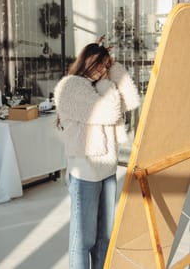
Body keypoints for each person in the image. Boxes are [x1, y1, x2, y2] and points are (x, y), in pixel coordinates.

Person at [54, 39, 140, 269]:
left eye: (105, 65)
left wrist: (114, 67)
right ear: (85, 60)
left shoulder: (100, 83)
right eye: (98, 64)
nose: (102, 70)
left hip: (107, 168)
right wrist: (107, 83)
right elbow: (108, 112)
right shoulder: (71, 86)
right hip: (85, 171)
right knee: (83, 239)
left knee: (104, 238)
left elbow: (131, 100)